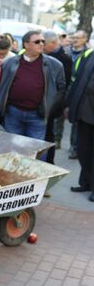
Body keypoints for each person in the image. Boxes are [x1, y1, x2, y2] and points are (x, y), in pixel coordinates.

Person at [0, 31, 65, 143]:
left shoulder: (55, 65)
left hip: (38, 115)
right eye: (37, 41)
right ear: (26, 44)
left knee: (35, 150)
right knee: (11, 147)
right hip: (13, 113)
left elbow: (61, 90)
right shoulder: (10, 63)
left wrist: (48, 109)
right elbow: (0, 86)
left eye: (43, 41)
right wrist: (4, 106)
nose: (41, 44)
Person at [66, 47, 94, 202]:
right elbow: (78, 82)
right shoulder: (90, 55)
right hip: (84, 113)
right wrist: (69, 105)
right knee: (84, 151)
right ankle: (85, 183)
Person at [43, 30, 72, 163]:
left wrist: (53, 106)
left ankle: (49, 161)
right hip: (40, 103)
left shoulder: (64, 58)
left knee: (49, 134)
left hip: (52, 104)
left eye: (44, 43)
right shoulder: (43, 55)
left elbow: (62, 86)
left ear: (53, 43)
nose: (42, 45)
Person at [68, 30, 90, 159]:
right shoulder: (66, 51)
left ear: (84, 39)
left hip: (78, 89)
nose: (74, 39)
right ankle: (59, 141)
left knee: (76, 119)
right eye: (73, 37)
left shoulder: (87, 54)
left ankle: (75, 146)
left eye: (78, 37)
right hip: (67, 89)